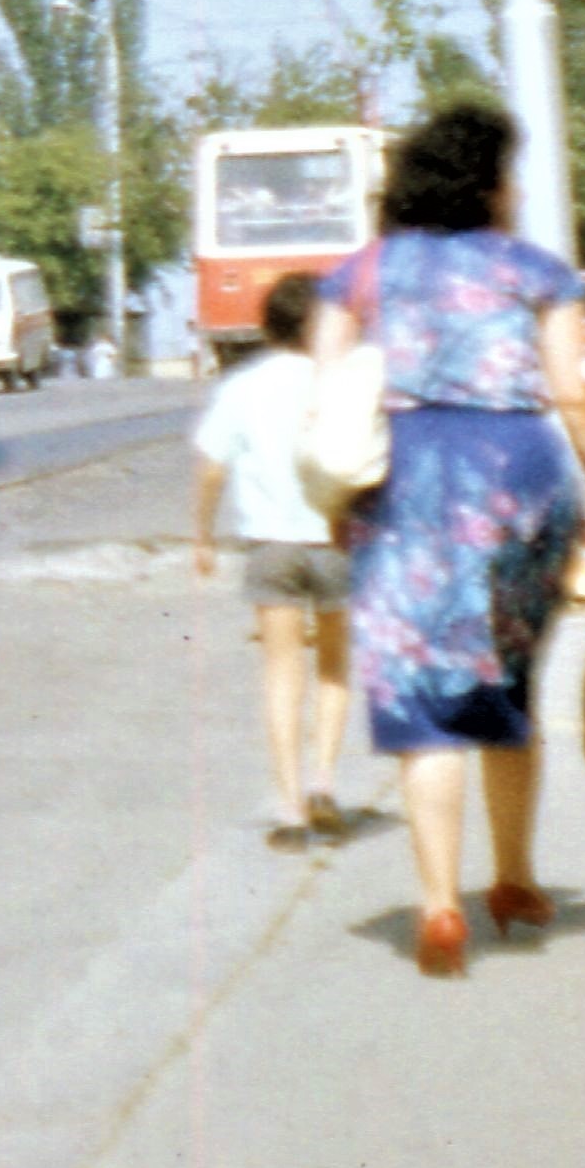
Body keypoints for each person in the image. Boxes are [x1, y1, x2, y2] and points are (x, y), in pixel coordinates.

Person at [313, 102, 585, 977]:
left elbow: (328, 402)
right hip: (517, 477)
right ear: (488, 184)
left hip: (402, 481)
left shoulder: (356, 275)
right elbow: (573, 395)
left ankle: (441, 905)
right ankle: (514, 879)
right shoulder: (537, 271)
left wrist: (335, 505)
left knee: (419, 691)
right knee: (505, 678)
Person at [191, 272, 352, 850]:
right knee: (335, 667)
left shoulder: (243, 386)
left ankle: (289, 808)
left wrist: (204, 536)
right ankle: (325, 782)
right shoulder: (343, 382)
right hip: (338, 541)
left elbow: (212, 467)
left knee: (282, 673)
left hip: (270, 545)